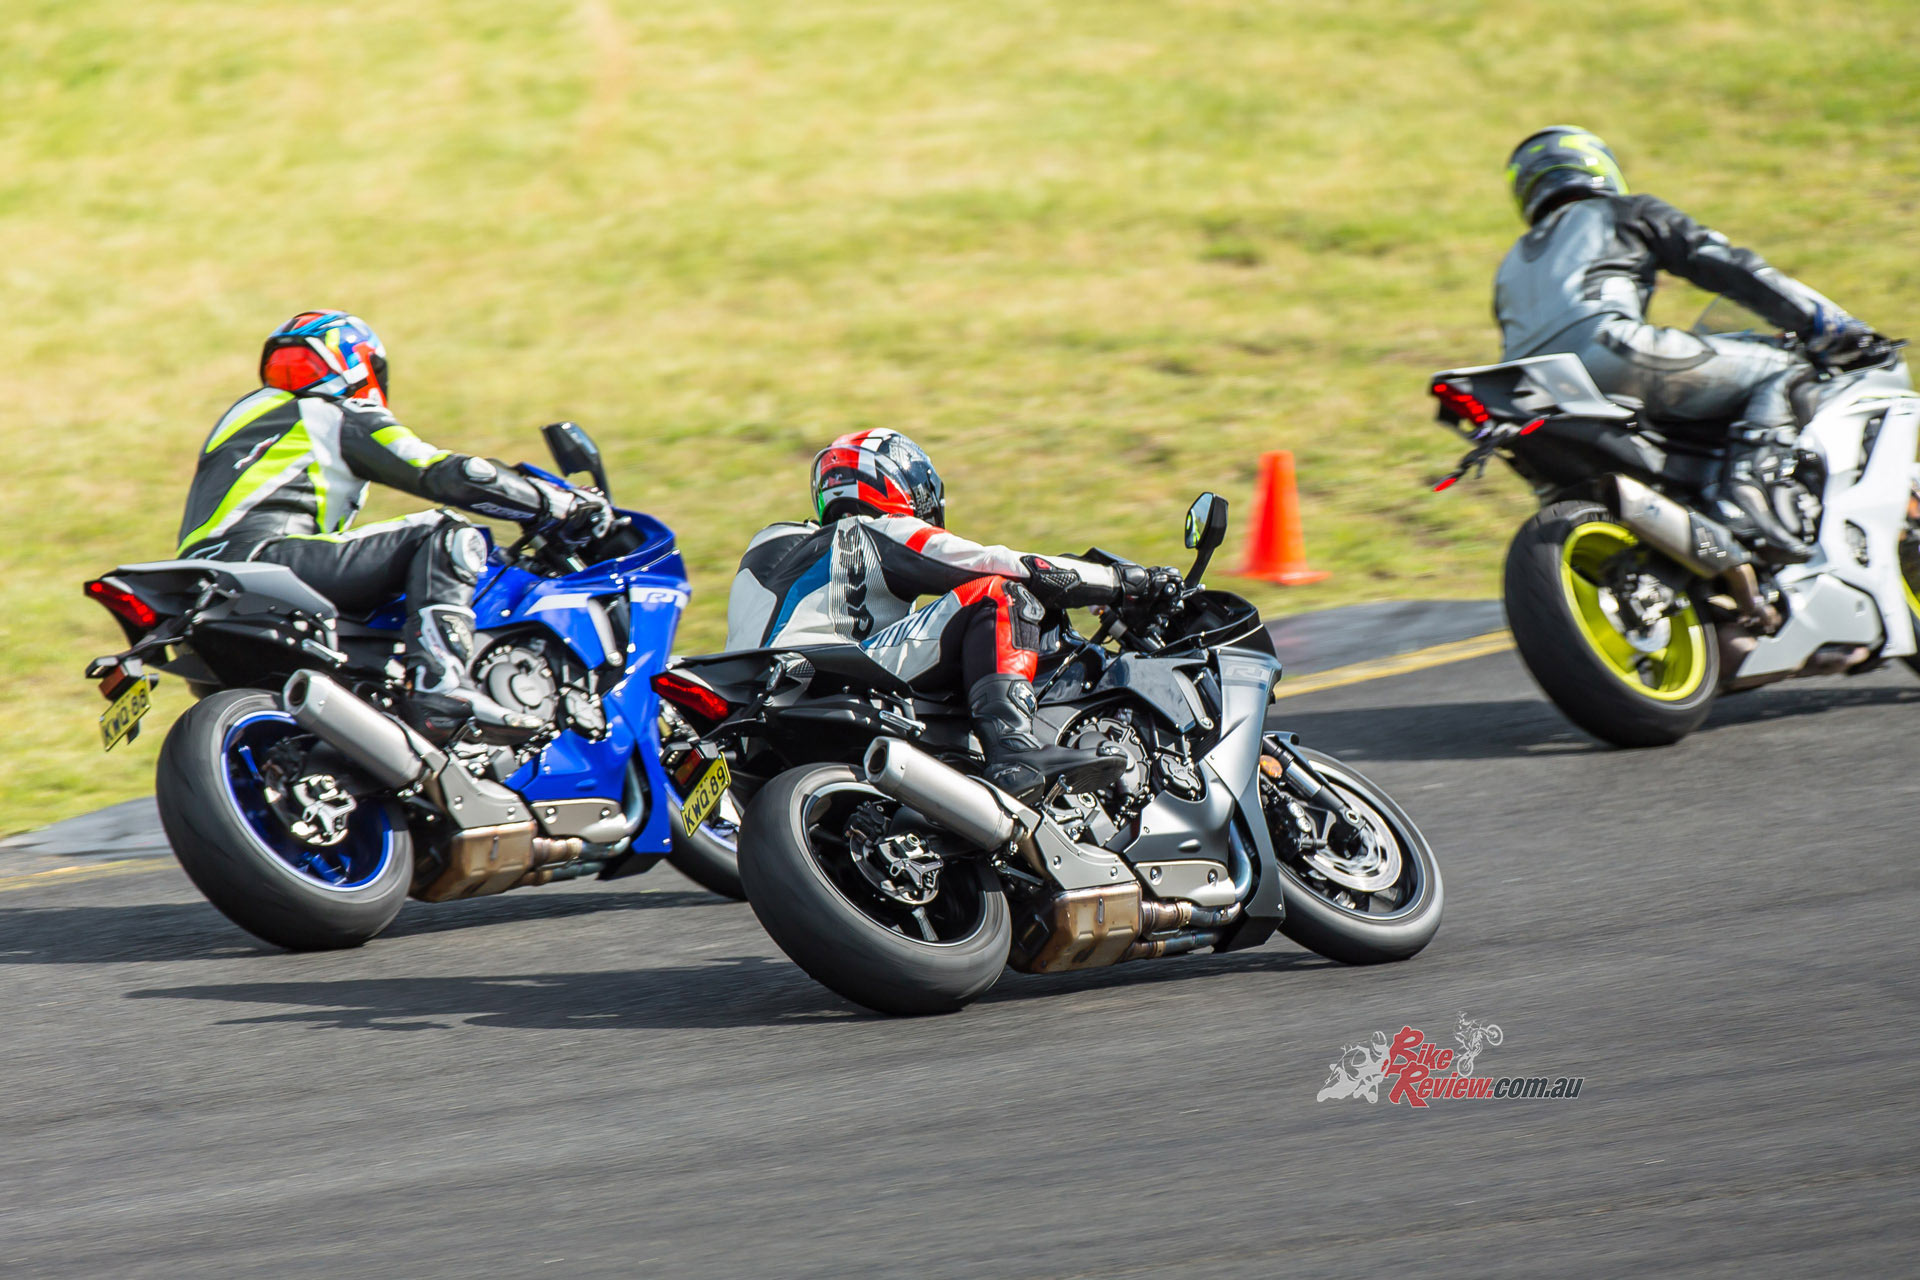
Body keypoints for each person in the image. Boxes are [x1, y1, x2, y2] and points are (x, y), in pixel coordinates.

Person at [175, 310, 611, 740]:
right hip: (267, 560)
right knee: (443, 533)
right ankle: (441, 686)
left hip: (198, 585)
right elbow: (450, 474)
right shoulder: (330, 412)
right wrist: (556, 504)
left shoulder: (238, 424)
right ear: (358, 366)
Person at [725, 429, 1181, 799]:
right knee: (1000, 592)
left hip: (747, 709)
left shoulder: (768, 543)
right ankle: (1013, 751)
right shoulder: (872, 530)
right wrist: (1124, 581)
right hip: (825, 676)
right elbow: (1000, 564)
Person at [1495, 126, 1876, 560]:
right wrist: (1829, 323)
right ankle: (1752, 495)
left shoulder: (1509, 266)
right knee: (1787, 367)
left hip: (1531, 391)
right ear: (1598, 166)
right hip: (1611, 351)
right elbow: (1725, 265)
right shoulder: (1622, 211)